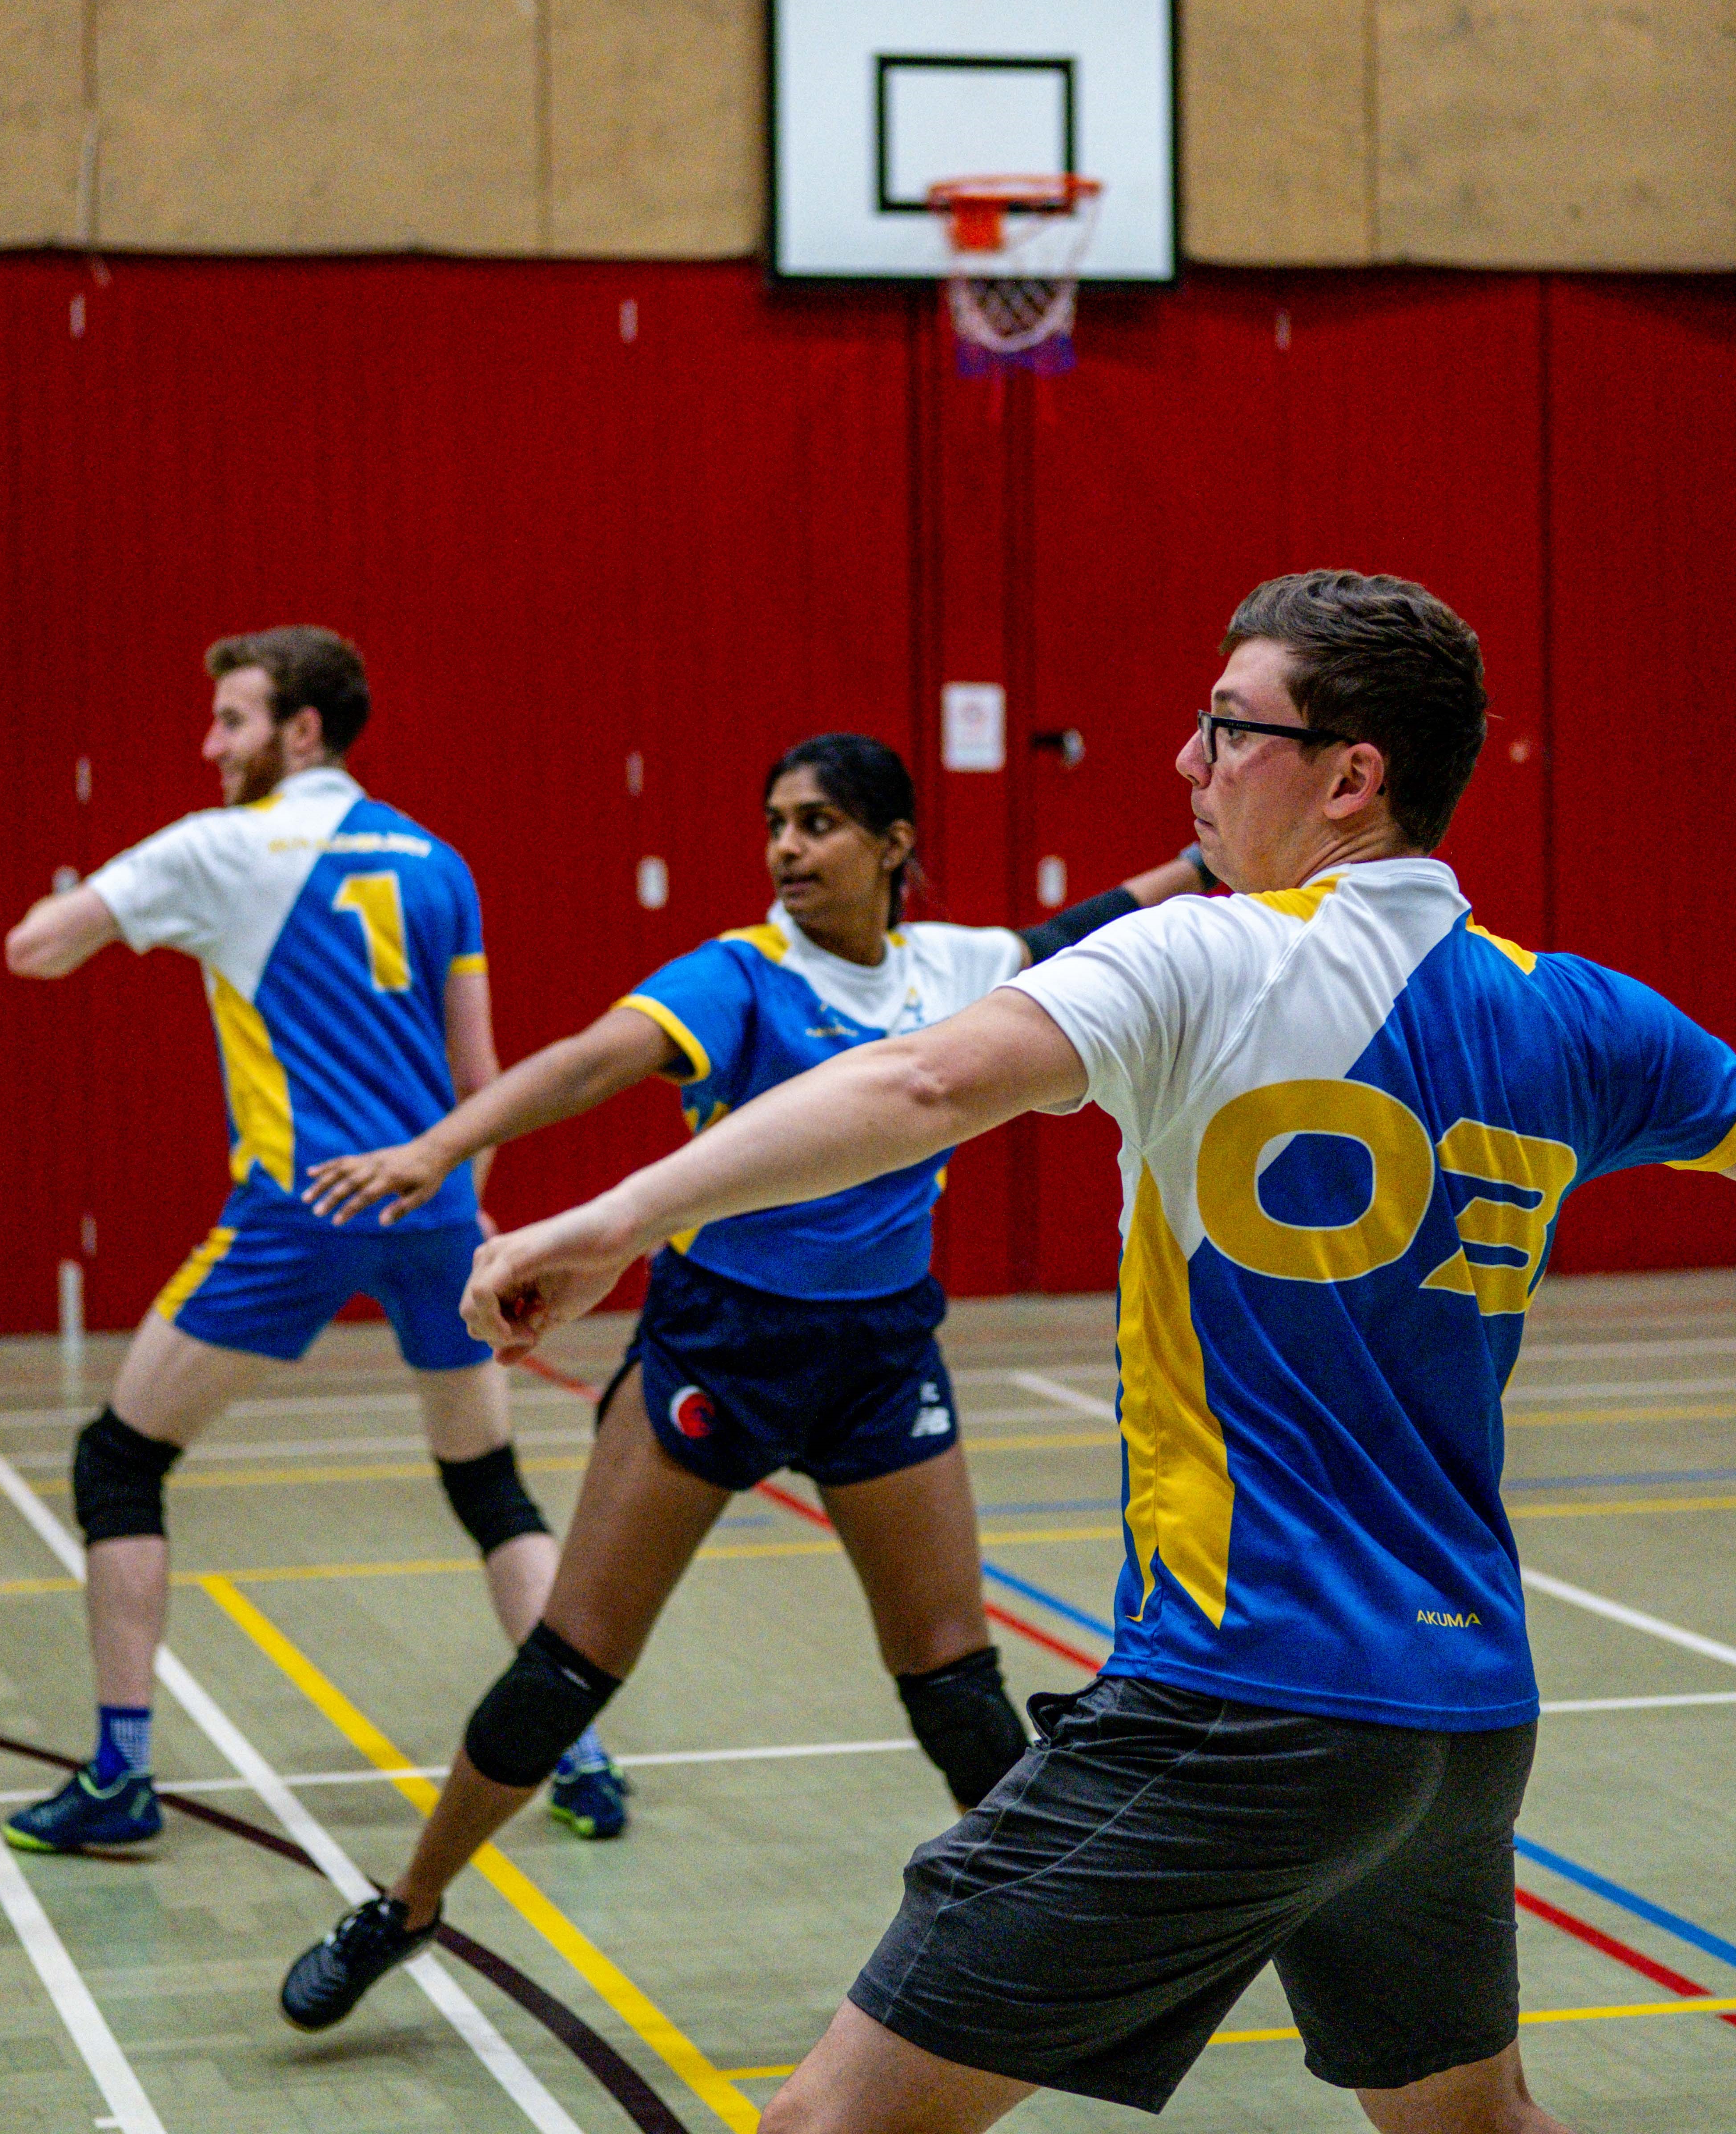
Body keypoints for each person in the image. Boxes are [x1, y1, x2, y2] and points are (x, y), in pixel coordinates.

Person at [289, 573, 1736, 2131]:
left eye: (1227, 730)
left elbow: (918, 1089)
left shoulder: (1216, 959)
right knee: (1473, 2126)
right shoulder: (1583, 1018)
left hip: (1241, 1698)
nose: (1189, 765)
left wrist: (615, 1220)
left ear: (1350, 776)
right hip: (1461, 1719)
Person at [278, 731, 1209, 2026]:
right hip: (720, 1348)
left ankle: (1062, 1954)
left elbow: (1088, 925)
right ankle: (408, 1904)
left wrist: (1205, 857)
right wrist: (438, 1147)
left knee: (956, 1690)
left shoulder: (962, 971)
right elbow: (588, 1063)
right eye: (775, 822)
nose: (785, 848)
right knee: (568, 1672)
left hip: (882, 1359)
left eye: (818, 823)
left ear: (893, 847)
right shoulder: (743, 977)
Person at [2, 626, 624, 1853]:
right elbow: (482, 1077)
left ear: (300, 731)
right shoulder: (438, 861)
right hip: (439, 1208)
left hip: (304, 1211)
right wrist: (470, 1215)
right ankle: (585, 1756)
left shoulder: (220, 848)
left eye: (230, 720)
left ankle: (121, 1776)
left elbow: (36, 948)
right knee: (488, 1486)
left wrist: (83, 895)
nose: (209, 743)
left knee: (118, 1464)